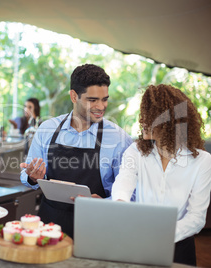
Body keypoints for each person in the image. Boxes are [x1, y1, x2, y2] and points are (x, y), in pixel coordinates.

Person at [20, 64, 133, 238]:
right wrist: (32, 176)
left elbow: (131, 194)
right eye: (92, 100)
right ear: (74, 96)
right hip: (49, 223)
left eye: (104, 99)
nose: (101, 106)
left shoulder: (119, 138)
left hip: (96, 226)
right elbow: (26, 175)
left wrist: (105, 203)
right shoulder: (47, 129)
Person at [111, 84, 211, 266]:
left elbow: (197, 217)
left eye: (150, 116)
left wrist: (160, 234)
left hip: (179, 245)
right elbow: (124, 181)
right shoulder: (136, 151)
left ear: (169, 122)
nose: (142, 120)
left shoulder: (202, 161)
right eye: (143, 114)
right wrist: (120, 205)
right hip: (139, 241)